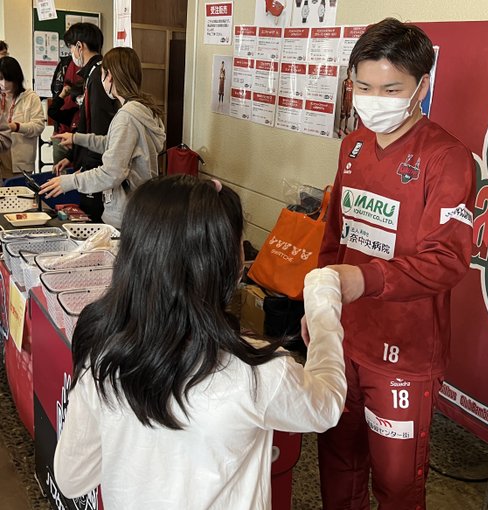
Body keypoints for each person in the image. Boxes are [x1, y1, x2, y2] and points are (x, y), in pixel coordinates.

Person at [53, 175, 347, 510]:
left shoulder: (104, 358)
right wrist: (324, 306)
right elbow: (327, 405)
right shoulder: (258, 373)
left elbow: (72, 477)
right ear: (227, 266)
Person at [313, 18, 476, 509]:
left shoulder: (447, 158)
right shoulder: (353, 145)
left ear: (421, 86)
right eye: (363, 86)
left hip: (403, 353)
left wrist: (366, 279)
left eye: (391, 88)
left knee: (398, 483)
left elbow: (448, 259)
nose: (374, 99)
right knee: (338, 463)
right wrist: (317, 309)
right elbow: (335, 236)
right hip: (342, 339)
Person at [41, 47, 166, 228]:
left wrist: (70, 181)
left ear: (110, 77)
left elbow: (111, 173)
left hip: (127, 212)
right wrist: (77, 138)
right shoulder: (142, 110)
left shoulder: (127, 117)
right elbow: (112, 144)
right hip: (139, 207)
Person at [52, 22, 118, 222]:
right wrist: (73, 155)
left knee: (91, 221)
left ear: (79, 46)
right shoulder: (92, 74)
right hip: (88, 159)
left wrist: (87, 167)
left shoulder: (98, 76)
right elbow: (85, 123)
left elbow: (99, 126)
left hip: (97, 167)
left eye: (71, 47)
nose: (71, 52)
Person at [0, 56, 45, 179]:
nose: (4, 84)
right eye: (0, 79)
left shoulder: (30, 97)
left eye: (8, 80)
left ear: (16, 78)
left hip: (20, 164)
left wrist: (16, 127)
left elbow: (39, 126)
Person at [47, 55, 82, 164]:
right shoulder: (74, 113)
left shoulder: (88, 115)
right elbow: (52, 112)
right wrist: (62, 95)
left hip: (80, 155)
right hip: (63, 141)